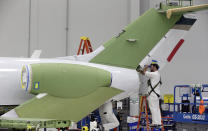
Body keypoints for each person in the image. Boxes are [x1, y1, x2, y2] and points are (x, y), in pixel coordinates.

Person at [137, 60, 162, 127]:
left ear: (154, 67)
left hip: (153, 95)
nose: (150, 68)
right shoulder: (157, 74)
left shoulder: (154, 74)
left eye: (151, 67)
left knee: (153, 108)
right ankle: (158, 122)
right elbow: (143, 73)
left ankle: (155, 123)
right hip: (156, 94)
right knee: (156, 109)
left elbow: (143, 72)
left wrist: (146, 66)